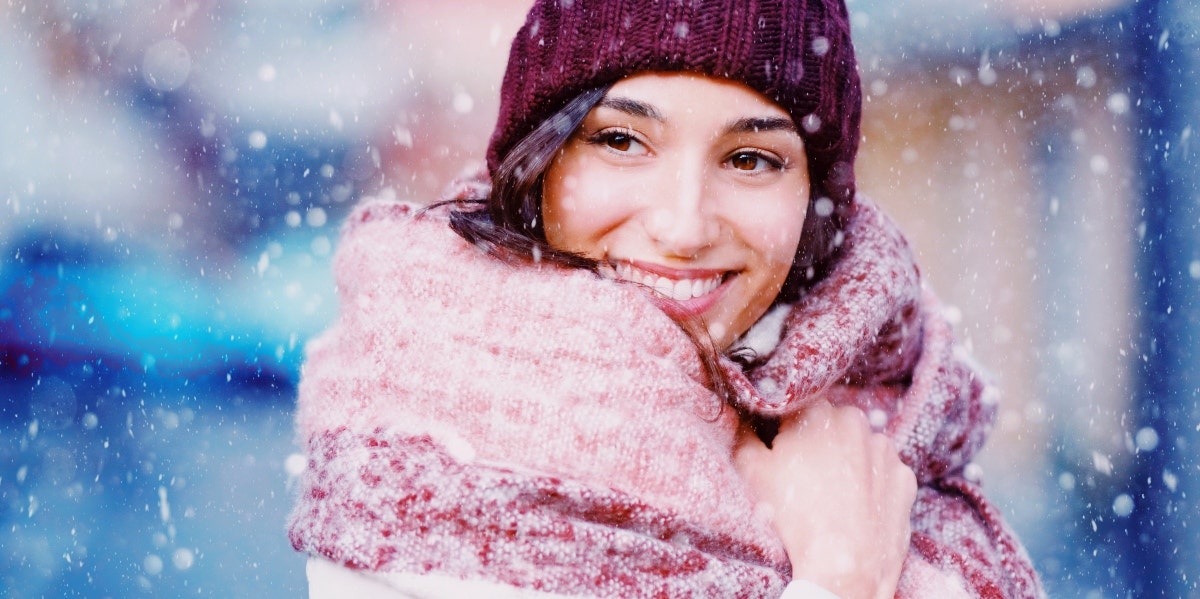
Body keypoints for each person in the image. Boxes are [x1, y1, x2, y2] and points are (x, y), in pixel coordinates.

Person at [288, 0, 1046, 597]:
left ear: (814, 197)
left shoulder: (876, 427)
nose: (683, 226)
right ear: (540, 160)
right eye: (621, 141)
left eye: (751, 158)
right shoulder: (433, 453)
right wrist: (841, 575)